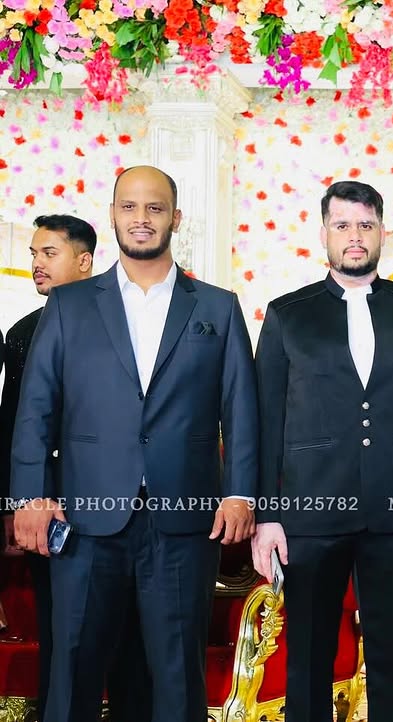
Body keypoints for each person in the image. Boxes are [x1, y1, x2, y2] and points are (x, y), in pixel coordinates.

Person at [10, 166, 258, 722]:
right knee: (72, 671)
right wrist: (30, 495)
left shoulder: (217, 307)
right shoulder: (69, 304)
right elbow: (36, 410)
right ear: (113, 215)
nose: (141, 219)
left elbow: (241, 408)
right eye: (129, 207)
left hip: (184, 522)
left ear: (176, 218)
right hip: (83, 520)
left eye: (154, 208)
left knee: (178, 678)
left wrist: (240, 493)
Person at [251, 180, 393, 722]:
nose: (355, 236)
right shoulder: (288, 313)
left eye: (365, 224)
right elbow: (265, 423)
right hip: (309, 511)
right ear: (324, 234)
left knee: (392, 658)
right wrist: (266, 515)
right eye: (342, 225)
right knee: (308, 658)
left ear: (382, 231)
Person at [0, 214, 152, 722]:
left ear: (84, 260)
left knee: (132, 636)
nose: (37, 264)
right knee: (61, 635)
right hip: (49, 509)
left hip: (122, 504)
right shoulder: (22, 333)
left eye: (50, 253)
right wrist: (17, 503)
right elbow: (16, 424)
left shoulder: (128, 321)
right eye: (34, 254)